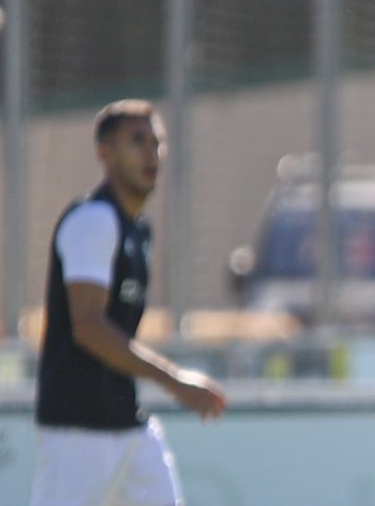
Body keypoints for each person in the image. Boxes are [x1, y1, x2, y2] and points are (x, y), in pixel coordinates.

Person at [30, 99, 227, 506]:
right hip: (79, 432)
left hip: (126, 424)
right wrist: (176, 381)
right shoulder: (94, 220)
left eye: (157, 142)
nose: (151, 153)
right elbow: (88, 326)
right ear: (105, 153)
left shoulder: (137, 229)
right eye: (137, 141)